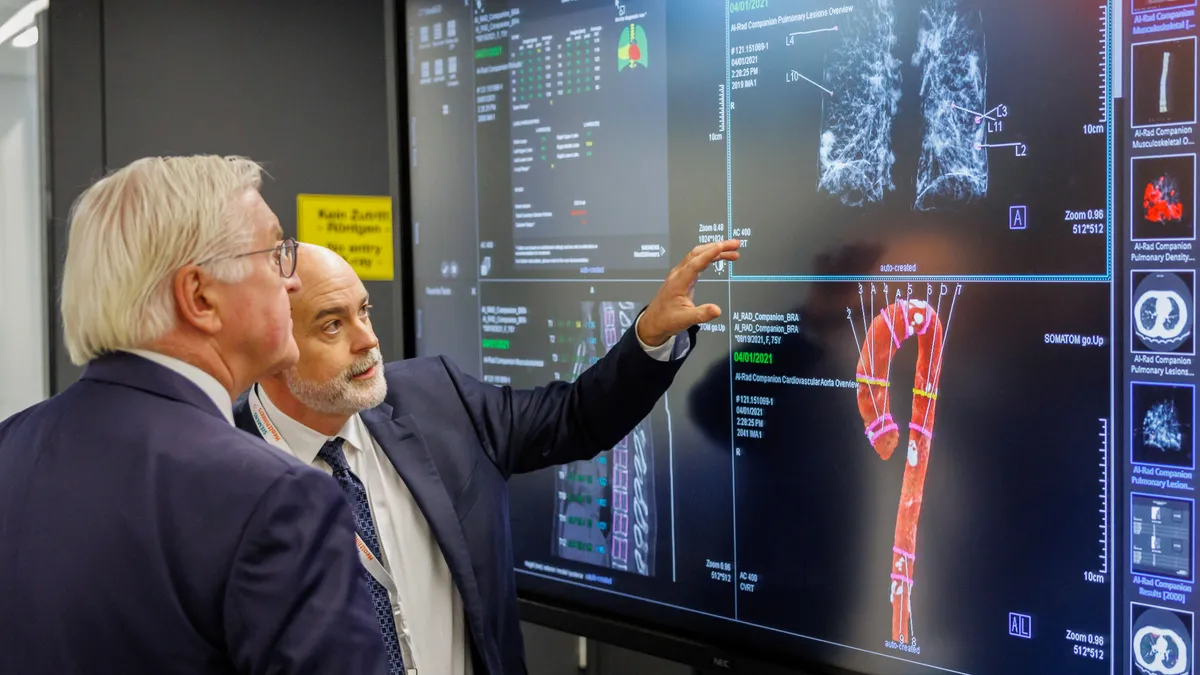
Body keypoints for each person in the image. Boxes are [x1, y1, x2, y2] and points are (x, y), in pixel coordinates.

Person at [234, 240, 741, 675]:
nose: (367, 339)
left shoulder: (438, 400)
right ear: (271, 344)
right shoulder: (221, 475)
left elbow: (575, 417)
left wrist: (649, 335)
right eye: (332, 326)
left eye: (364, 311)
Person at [0, 156, 389, 675]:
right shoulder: (275, 498)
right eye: (276, 253)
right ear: (199, 297)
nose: (292, 282)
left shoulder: (11, 445)